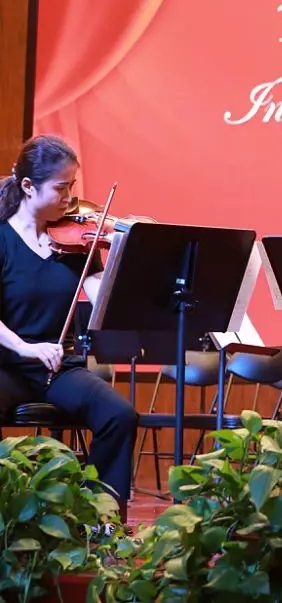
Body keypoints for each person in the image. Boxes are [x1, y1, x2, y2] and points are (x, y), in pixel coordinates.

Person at [0, 135, 138, 519]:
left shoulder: (75, 244)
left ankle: (100, 517)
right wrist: (26, 347)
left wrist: (121, 255)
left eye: (72, 187)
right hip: (8, 363)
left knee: (119, 415)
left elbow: (101, 298)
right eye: (61, 188)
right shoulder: (3, 239)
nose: (70, 199)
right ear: (29, 186)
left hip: (57, 366)